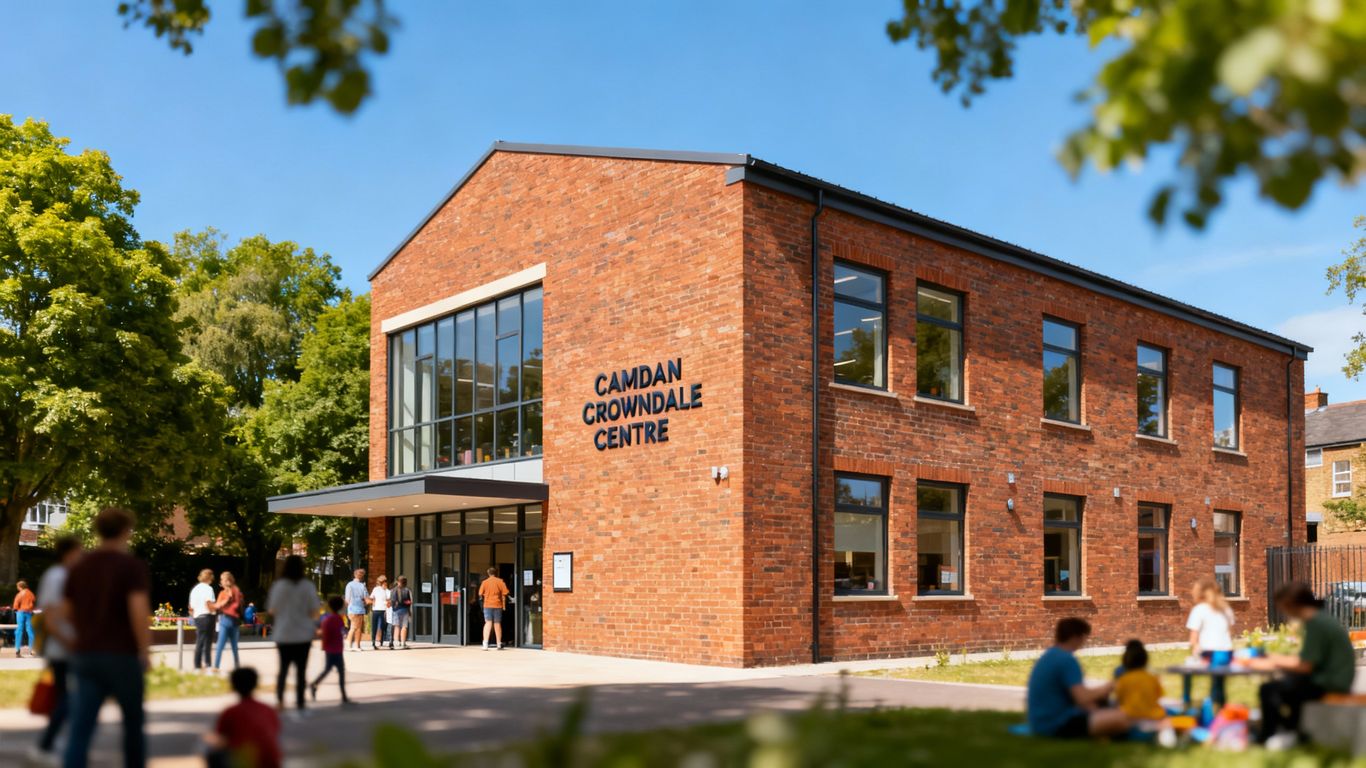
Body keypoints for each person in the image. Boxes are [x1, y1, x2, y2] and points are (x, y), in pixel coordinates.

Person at [61, 507, 151, 768]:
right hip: (121, 655)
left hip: (86, 654)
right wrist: (144, 651)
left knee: (81, 728)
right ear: (126, 531)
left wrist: (83, 633)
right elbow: (138, 611)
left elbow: (66, 612)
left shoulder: (80, 566)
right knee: (133, 726)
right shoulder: (130, 566)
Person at [1249, 581, 1357, 747]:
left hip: (1331, 682)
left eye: (1283, 607)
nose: (1284, 612)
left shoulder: (1316, 623)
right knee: (1287, 686)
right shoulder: (1321, 619)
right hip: (1336, 678)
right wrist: (1277, 660)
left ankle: (1270, 735)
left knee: (1269, 690)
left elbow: (1305, 665)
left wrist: (1273, 660)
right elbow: (1310, 660)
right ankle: (1294, 730)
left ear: (1291, 604)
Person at [1026, 617, 1129, 738]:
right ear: (1076, 636)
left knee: (1106, 708)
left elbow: (1076, 697)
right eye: (1084, 637)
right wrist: (1109, 687)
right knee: (1123, 718)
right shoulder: (1067, 660)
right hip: (1057, 725)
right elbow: (1082, 698)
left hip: (1040, 723)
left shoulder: (1050, 655)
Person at [30, 535, 81, 765]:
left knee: (65, 698)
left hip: (67, 648)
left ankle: (52, 742)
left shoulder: (66, 575)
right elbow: (50, 617)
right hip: (62, 649)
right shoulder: (57, 576)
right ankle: (46, 744)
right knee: (69, 699)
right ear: (69, 553)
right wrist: (69, 642)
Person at [266, 555, 319, 712]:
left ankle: (280, 700)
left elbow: (271, 610)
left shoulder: (279, 586)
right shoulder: (307, 586)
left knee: (283, 669)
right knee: (301, 671)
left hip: (284, 633)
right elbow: (315, 611)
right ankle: (300, 702)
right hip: (303, 633)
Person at [206, 667, 280, 768]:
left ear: (233, 685)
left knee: (211, 752)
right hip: (271, 760)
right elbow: (276, 730)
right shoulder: (268, 709)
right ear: (255, 684)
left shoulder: (231, 711)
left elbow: (221, 739)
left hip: (245, 761)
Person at [1184, 577, 1235, 706]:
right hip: (1226, 654)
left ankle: (1186, 700)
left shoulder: (1199, 610)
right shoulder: (1226, 609)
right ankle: (1220, 704)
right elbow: (1230, 633)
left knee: (1187, 670)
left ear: (1199, 593)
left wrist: (1195, 653)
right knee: (1218, 682)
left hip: (1210, 654)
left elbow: (1193, 640)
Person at [309, 596, 351, 705]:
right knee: (339, 672)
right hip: (335, 649)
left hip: (332, 649)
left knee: (330, 670)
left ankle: (314, 684)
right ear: (341, 607)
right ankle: (344, 697)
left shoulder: (328, 620)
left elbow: (325, 635)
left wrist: (324, 645)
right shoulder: (338, 619)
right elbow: (340, 632)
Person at [1114, 639, 1165, 721]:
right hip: (1152, 716)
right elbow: (1159, 695)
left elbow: (1119, 699)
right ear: (1145, 659)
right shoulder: (1152, 677)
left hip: (1130, 716)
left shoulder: (1123, 679)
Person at [213, 572, 245, 672]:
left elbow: (218, 606)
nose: (221, 582)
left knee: (222, 645)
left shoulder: (230, 593)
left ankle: (217, 667)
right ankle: (235, 666)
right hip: (231, 621)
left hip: (228, 620)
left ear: (227, 581)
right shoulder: (230, 592)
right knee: (232, 646)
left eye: (222, 580)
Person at [189, 569, 217, 673]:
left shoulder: (195, 589)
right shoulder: (208, 589)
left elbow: (191, 607)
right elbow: (209, 603)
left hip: (198, 617)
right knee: (207, 642)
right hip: (207, 616)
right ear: (210, 578)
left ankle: (197, 666)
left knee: (200, 641)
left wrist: (195, 617)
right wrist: (215, 609)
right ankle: (207, 665)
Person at [478, 567, 510, 651]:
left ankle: (485, 644)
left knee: (488, 623)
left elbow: (480, 593)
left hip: (487, 605)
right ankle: (499, 644)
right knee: (497, 624)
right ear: (496, 573)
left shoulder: (484, 582)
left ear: (488, 573)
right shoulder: (500, 581)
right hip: (497, 605)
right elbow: (505, 592)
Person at [343, 569, 368, 651]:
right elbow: (366, 598)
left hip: (352, 608)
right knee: (358, 628)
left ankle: (349, 645)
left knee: (353, 627)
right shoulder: (362, 586)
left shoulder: (349, 585)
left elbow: (347, 599)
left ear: (354, 575)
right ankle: (356, 646)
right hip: (360, 608)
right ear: (362, 576)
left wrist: (345, 608)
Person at [13, 579, 36, 657]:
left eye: (17, 587)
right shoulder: (31, 593)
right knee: (30, 630)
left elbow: (16, 604)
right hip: (29, 612)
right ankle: (32, 650)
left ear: (20, 587)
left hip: (20, 612)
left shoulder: (19, 594)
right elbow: (33, 601)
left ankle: (17, 650)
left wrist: (15, 610)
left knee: (19, 630)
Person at [390, 576, 412, 649]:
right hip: (405, 609)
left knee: (397, 626)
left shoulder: (393, 590)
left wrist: (394, 607)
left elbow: (392, 601)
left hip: (396, 610)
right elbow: (409, 602)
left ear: (397, 582)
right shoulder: (407, 590)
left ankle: (396, 642)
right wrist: (409, 610)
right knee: (404, 626)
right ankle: (403, 642)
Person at [369, 575, 390, 651]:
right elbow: (372, 597)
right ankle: (375, 641)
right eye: (385, 582)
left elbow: (372, 597)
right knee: (380, 626)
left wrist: (374, 601)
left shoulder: (385, 590)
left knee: (378, 626)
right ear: (382, 583)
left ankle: (376, 641)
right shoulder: (380, 589)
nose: (385, 584)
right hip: (380, 610)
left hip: (378, 610)